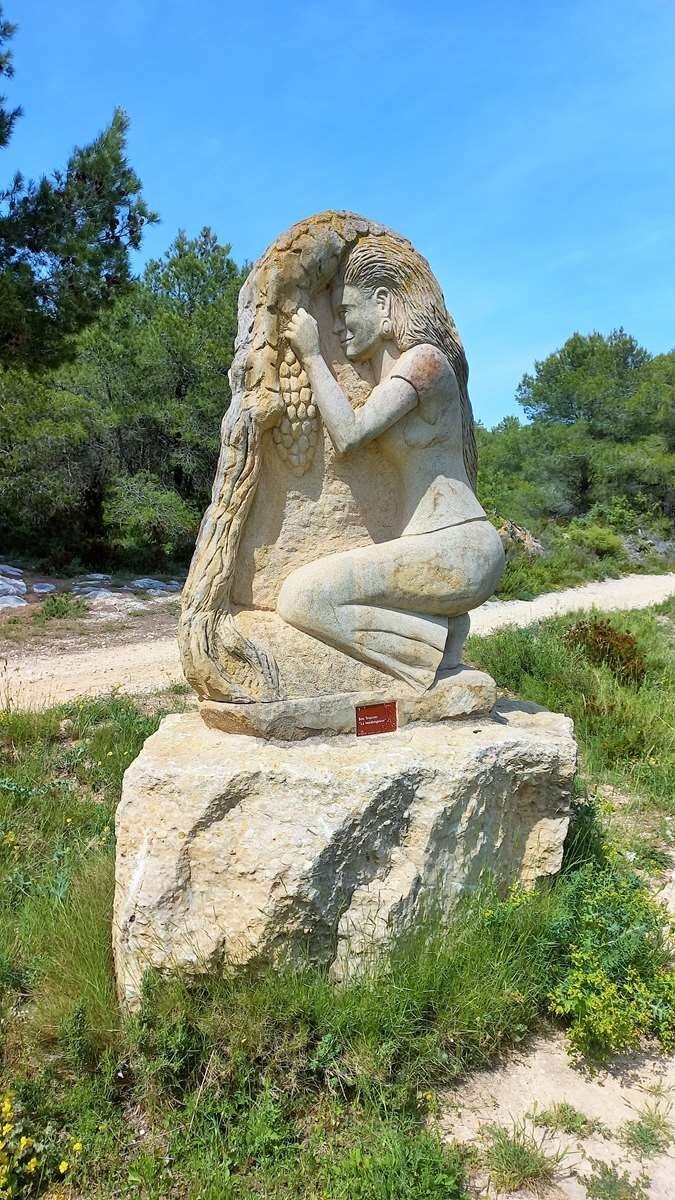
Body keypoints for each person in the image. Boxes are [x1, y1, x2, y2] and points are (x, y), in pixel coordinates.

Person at [277, 234, 504, 692]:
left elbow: (349, 435)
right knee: (304, 596)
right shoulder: (391, 379)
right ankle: (442, 642)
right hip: (433, 544)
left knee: (303, 597)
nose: (338, 327)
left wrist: (313, 354)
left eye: (345, 311)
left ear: (382, 303)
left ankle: (428, 658)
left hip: (459, 545)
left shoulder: (425, 362)